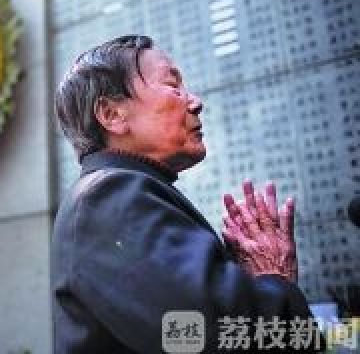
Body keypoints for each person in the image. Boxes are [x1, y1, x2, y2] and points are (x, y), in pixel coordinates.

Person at [52, 35, 324, 353]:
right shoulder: (107, 197)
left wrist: (240, 282)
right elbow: (199, 331)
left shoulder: (113, 193)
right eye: (173, 86)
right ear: (112, 114)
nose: (195, 101)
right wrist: (275, 280)